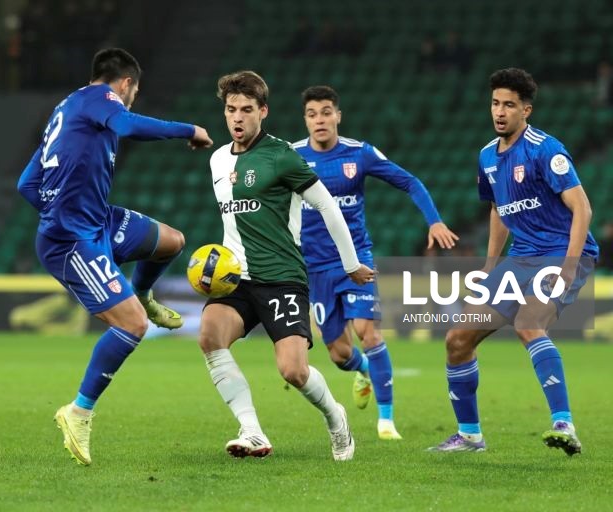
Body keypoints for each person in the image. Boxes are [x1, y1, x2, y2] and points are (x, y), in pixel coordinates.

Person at [17, 47, 212, 466]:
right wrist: (188, 130)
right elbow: (125, 123)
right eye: (133, 91)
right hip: (72, 238)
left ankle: (142, 292)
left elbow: (26, 184)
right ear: (125, 84)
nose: (130, 98)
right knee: (133, 327)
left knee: (172, 242)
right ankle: (79, 411)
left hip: (97, 221)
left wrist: (62, 205)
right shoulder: (100, 99)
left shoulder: (64, 112)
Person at [199, 70, 375, 461]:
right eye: (231, 110)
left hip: (281, 278)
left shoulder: (281, 155)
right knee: (210, 337)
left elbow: (328, 206)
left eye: (247, 109)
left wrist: (351, 264)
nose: (238, 117)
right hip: (237, 279)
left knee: (293, 371)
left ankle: (336, 417)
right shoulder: (217, 160)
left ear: (263, 111)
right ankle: (251, 430)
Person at [429, 68, 598, 455]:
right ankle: (470, 436)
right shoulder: (487, 155)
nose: (499, 111)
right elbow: (498, 209)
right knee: (457, 339)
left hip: (560, 252)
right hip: (520, 258)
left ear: (526, 110)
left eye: (509, 105)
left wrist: (568, 267)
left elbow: (583, 209)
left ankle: (564, 424)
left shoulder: (545, 149)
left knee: (527, 322)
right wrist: (490, 265)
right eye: (495, 103)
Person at [293, 85, 459, 441]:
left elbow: (410, 182)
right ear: (305, 120)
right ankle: (365, 370)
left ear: (338, 115)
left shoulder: (360, 153)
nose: (319, 120)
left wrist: (434, 220)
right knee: (339, 354)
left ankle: (386, 420)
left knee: (367, 331)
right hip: (315, 267)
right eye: (312, 114)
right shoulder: (291, 157)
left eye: (326, 112)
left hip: (355, 260)